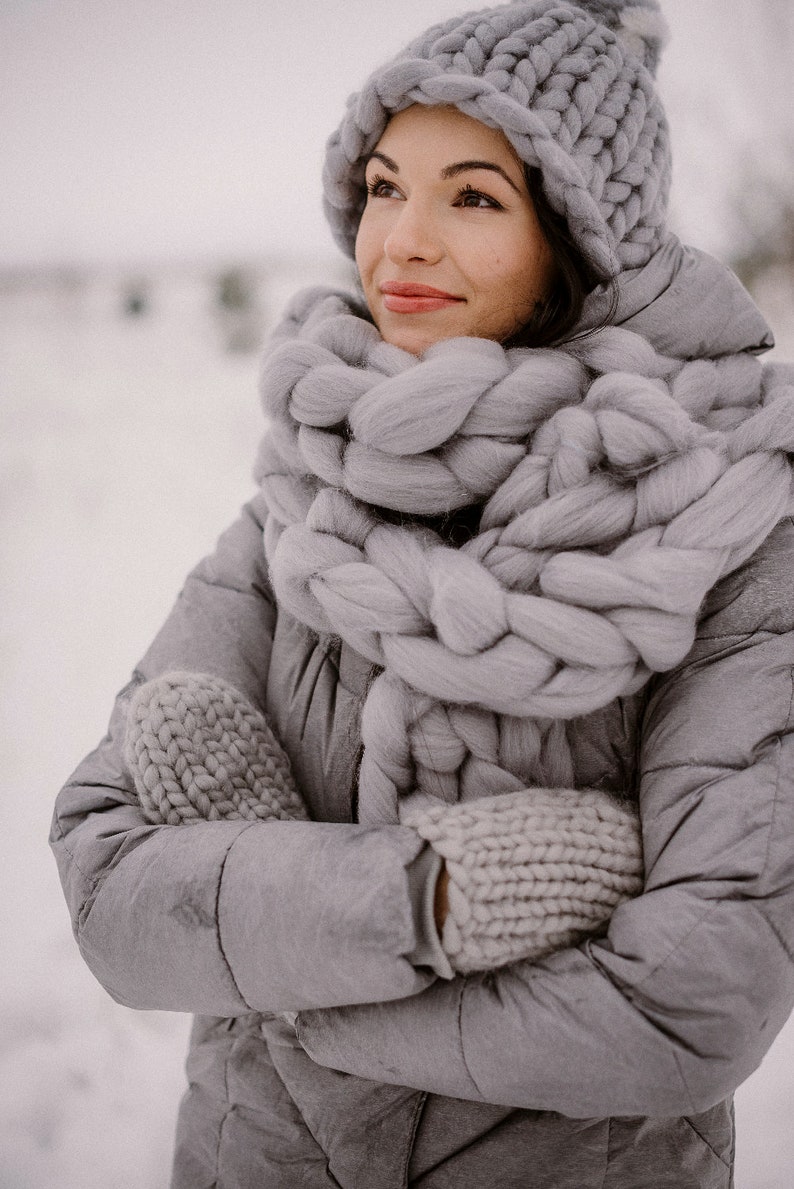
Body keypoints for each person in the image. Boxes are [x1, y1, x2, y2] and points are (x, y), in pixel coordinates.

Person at [50, 1, 794, 1186]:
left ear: (580, 241)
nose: (400, 240)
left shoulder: (728, 528)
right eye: (385, 186)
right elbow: (107, 890)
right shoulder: (295, 505)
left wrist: (276, 968)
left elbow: (694, 1003)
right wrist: (427, 901)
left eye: (473, 198)